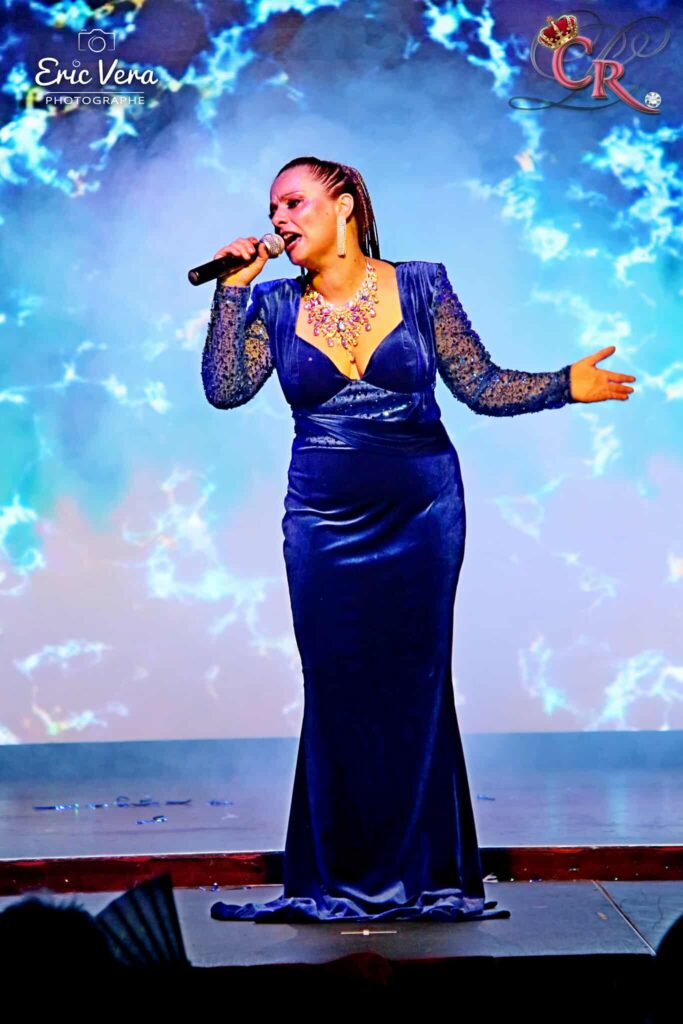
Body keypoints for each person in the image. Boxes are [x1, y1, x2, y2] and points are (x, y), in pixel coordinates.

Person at [201, 156, 636, 923]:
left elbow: (480, 385)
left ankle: (425, 872)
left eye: (293, 203)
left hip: (421, 512)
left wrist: (561, 385)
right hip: (323, 519)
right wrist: (231, 293)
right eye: (272, 211)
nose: (279, 221)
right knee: (335, 686)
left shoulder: (420, 285)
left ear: (344, 204)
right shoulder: (273, 302)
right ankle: (340, 875)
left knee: (413, 685)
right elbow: (225, 389)